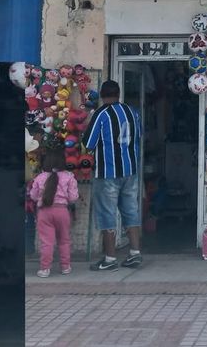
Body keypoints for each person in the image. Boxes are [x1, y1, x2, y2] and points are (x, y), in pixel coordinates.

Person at [83, 80, 143, 271]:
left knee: (107, 214)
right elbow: (139, 136)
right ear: (118, 93)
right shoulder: (132, 112)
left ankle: (109, 259)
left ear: (102, 95)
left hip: (107, 172)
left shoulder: (101, 114)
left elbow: (89, 143)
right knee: (131, 211)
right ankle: (135, 254)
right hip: (130, 170)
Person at [29, 148, 79, 278]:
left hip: (44, 212)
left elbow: (33, 196)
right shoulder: (69, 177)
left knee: (47, 242)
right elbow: (73, 197)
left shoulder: (40, 177)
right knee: (64, 240)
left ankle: (45, 269)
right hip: (62, 211)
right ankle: (65, 267)